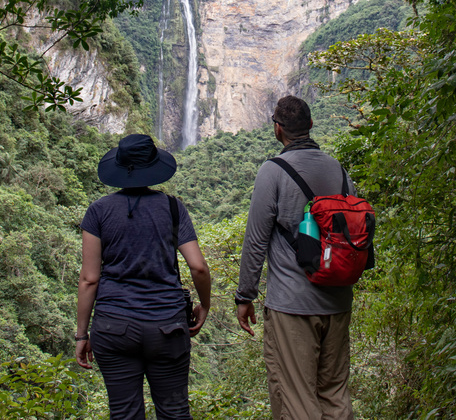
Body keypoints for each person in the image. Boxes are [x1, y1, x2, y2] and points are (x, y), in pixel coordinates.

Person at [234, 95, 357, 420]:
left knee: (296, 401)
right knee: (335, 394)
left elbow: (256, 240)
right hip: (338, 300)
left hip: (292, 306)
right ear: (312, 125)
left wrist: (244, 295)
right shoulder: (339, 171)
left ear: (278, 129)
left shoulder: (272, 172)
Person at [76, 133, 211, 420]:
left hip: (113, 327)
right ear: (153, 168)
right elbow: (198, 267)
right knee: (175, 412)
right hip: (167, 327)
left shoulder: (97, 212)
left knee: (124, 414)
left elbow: (89, 278)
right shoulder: (174, 208)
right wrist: (205, 305)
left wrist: (81, 334)